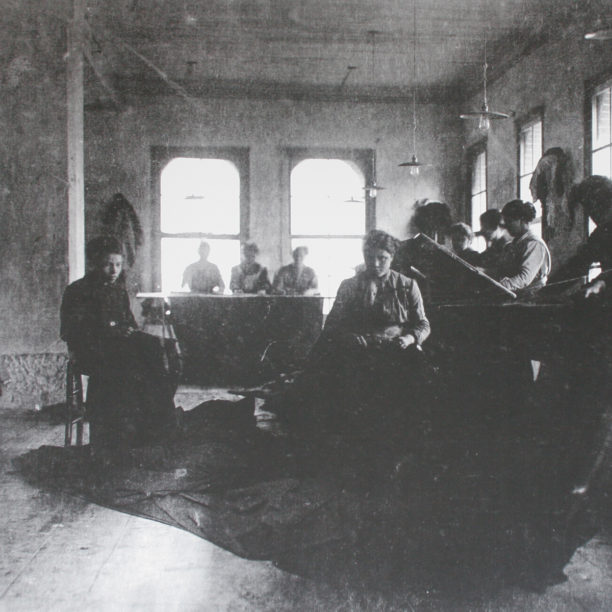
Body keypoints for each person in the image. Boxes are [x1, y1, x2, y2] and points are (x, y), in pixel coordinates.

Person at [60, 236, 177, 453]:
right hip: (90, 350)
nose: (114, 270)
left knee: (162, 349)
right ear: (95, 263)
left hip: (118, 347)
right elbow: (71, 332)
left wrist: (129, 331)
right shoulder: (78, 291)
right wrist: (111, 331)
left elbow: (129, 322)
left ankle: (154, 428)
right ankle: (118, 436)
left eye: (118, 264)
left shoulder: (118, 290)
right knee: (131, 363)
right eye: (108, 264)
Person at [554, 175, 612, 298]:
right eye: (588, 210)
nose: (593, 216)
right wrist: (545, 291)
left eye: (595, 208)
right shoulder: (601, 233)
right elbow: (579, 264)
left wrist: (601, 282)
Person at [492, 200, 551, 293]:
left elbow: (524, 278)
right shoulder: (513, 245)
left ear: (522, 220)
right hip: (515, 294)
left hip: (532, 295)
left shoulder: (534, 244)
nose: (506, 226)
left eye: (509, 221)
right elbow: (503, 271)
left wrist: (499, 286)